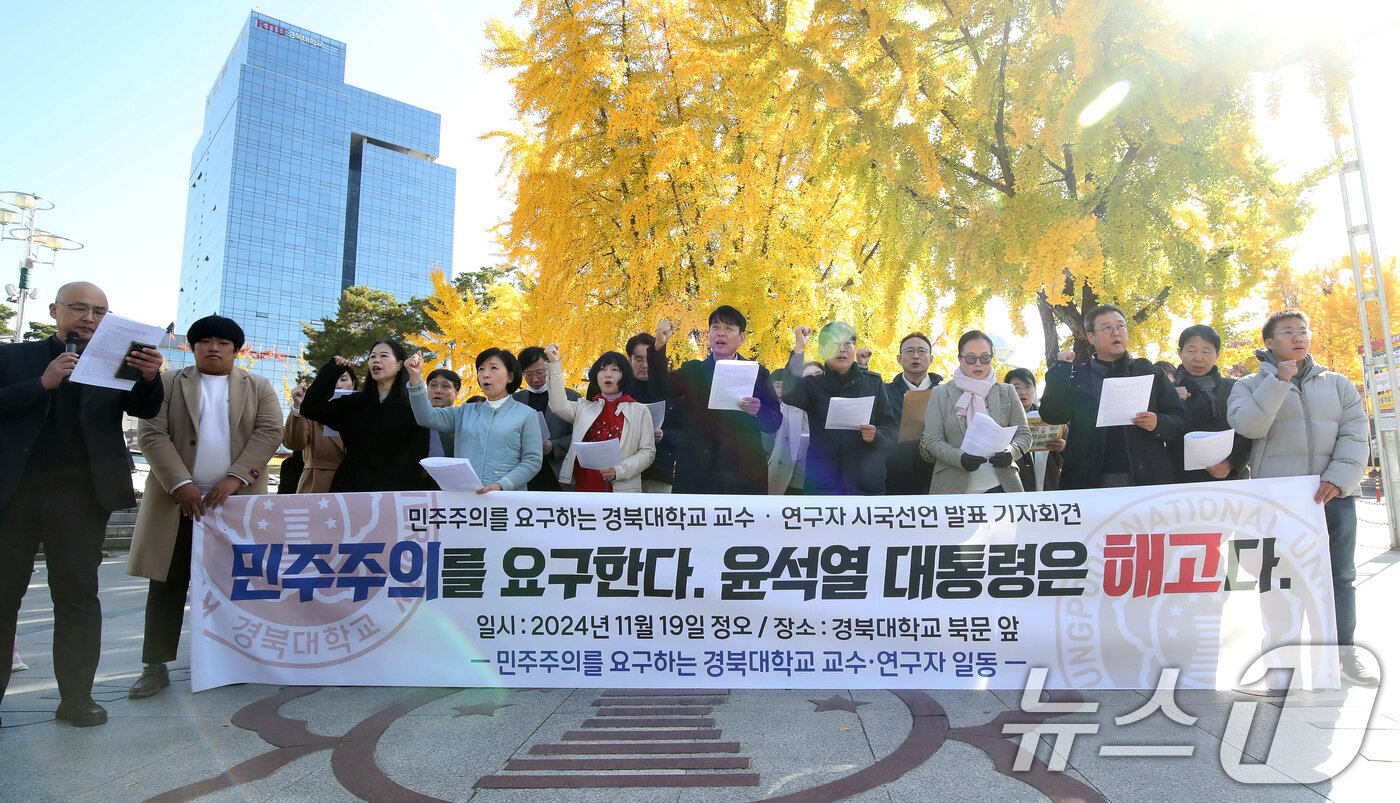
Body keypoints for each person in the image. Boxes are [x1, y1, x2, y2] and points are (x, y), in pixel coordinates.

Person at [0, 281, 164, 727]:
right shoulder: (14, 357)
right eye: (79, 308)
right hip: (13, 495)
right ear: (55, 310)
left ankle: (77, 698)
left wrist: (151, 377)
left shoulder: (114, 361)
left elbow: (146, 409)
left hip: (80, 497)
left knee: (77, 597)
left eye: (99, 311)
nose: (89, 318)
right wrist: (42, 384)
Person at [127, 315, 283, 700]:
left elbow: (270, 432)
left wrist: (235, 478)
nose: (214, 348)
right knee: (167, 580)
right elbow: (151, 432)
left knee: (234, 583)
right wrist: (180, 484)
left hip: (237, 503)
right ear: (192, 346)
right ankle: (155, 664)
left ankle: (233, 658)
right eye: (205, 341)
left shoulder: (259, 386)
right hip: (176, 501)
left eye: (223, 343)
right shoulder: (166, 383)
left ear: (236, 349)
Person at [1228, 309, 1376, 686]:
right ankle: (1280, 667)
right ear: (1270, 343)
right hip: (1276, 502)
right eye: (1288, 332)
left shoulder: (1339, 384)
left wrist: (1339, 479)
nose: (1298, 337)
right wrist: (1278, 382)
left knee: (1339, 579)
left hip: (1332, 498)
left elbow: (1356, 434)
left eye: (1302, 331)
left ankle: (1344, 657)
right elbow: (1248, 425)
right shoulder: (1247, 385)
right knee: (1278, 582)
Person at [1039, 305, 1186, 489]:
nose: (1116, 332)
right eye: (1107, 328)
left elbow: (1179, 421)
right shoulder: (1077, 376)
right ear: (1090, 336)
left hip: (1146, 476)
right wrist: (1060, 370)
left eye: (1121, 326)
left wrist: (1158, 422)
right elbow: (1053, 415)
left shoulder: (1148, 372)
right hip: (1088, 479)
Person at [646, 306, 781, 494]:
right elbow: (661, 387)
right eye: (715, 328)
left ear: (741, 338)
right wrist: (658, 347)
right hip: (698, 472)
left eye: (729, 329)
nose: (721, 334)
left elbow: (774, 422)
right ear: (708, 334)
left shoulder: (758, 373)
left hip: (744, 473)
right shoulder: (693, 371)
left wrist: (759, 411)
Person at [782, 322, 898, 494]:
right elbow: (790, 395)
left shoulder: (873, 383)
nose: (842, 349)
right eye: (834, 344)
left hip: (865, 486)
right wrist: (799, 348)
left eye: (847, 343)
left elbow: (891, 429)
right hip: (823, 486)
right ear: (822, 351)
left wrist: (876, 435)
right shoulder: (813, 385)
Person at [406, 348, 542, 493]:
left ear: (510, 376)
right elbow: (426, 417)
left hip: (507, 499)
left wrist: (502, 484)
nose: (485, 374)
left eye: (493, 368)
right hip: (466, 498)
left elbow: (532, 460)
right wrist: (415, 378)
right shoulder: (465, 411)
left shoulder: (526, 414)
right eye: (481, 369)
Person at [299, 341, 429, 492]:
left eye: (384, 356)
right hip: (351, 488)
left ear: (400, 365)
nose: (376, 360)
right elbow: (310, 408)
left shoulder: (414, 407)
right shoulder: (353, 404)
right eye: (372, 356)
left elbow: (417, 453)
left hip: (396, 492)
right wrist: (332, 371)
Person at [920, 332, 1031, 493]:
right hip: (952, 487)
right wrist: (959, 458)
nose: (978, 364)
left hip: (1002, 486)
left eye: (985, 358)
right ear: (960, 359)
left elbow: (1024, 435)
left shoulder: (1007, 391)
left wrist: (1011, 452)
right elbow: (933, 440)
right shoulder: (940, 393)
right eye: (971, 358)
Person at [542, 344, 656, 491]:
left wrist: (619, 470)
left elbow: (648, 452)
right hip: (586, 486)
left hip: (623, 490)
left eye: (615, 370)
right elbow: (557, 405)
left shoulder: (640, 411)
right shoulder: (584, 408)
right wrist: (554, 364)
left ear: (625, 375)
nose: (607, 374)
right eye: (602, 369)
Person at [1173, 325, 1250, 482]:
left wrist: (1233, 462)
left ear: (1217, 355)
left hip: (1229, 480)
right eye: (1191, 350)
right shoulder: (1167, 391)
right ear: (1180, 353)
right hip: (1178, 482)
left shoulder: (1235, 388)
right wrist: (1171, 400)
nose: (1198, 358)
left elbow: (1249, 430)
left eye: (1206, 351)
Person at [885, 332, 944, 494]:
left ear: (931, 359)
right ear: (899, 358)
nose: (916, 356)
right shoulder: (885, 392)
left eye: (922, 351)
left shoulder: (945, 393)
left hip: (938, 475)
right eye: (909, 351)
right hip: (895, 477)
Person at [513, 346, 578, 490]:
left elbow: (581, 435)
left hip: (559, 474)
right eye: (528, 374)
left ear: (549, 368)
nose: (535, 379)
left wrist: (554, 445)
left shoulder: (571, 397)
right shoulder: (515, 400)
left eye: (540, 372)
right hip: (525, 475)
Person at [283, 367, 356, 493]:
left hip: (355, 484)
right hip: (318, 484)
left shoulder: (364, 413)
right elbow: (293, 443)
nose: (337, 385)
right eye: (332, 380)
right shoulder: (312, 413)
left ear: (353, 383)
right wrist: (298, 408)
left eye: (343, 379)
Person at [626, 332, 680, 493]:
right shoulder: (620, 390)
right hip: (625, 473)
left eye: (649, 359)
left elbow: (688, 434)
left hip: (660, 474)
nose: (645, 365)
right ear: (629, 360)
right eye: (639, 359)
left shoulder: (673, 391)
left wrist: (664, 434)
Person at [1004, 367, 1064, 492]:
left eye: (1028, 386)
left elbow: (1073, 452)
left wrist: (1063, 447)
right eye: (1016, 387)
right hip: (1016, 486)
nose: (1023, 392)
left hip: (1050, 484)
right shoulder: (1001, 420)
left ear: (1035, 390)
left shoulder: (1051, 416)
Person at [769, 360, 824, 494]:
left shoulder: (833, 408)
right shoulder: (788, 409)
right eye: (808, 377)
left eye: (818, 375)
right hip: (791, 484)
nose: (813, 381)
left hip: (824, 484)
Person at [425, 368, 461, 457]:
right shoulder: (414, 418)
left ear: (456, 393)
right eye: (433, 385)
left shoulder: (463, 420)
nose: (438, 391)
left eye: (445, 386)